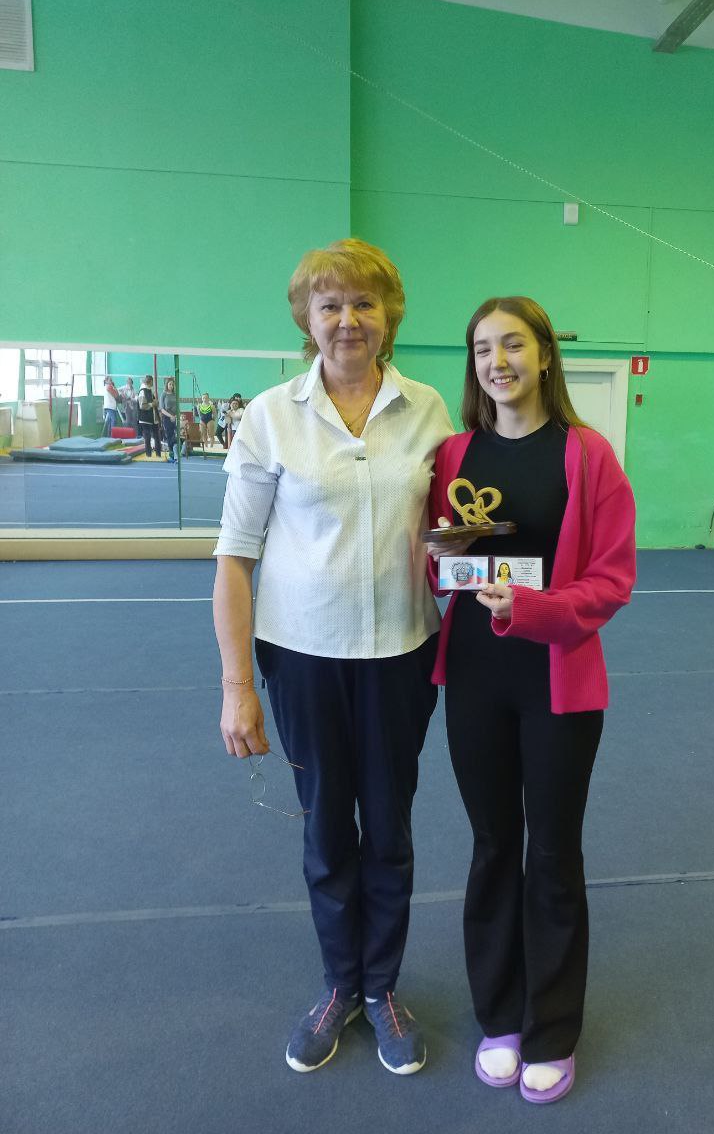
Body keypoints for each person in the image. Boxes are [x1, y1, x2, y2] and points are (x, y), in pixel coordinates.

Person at [213, 238, 453, 1078]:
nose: (348, 319)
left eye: (364, 303)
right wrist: (237, 686)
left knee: (387, 826)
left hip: (400, 655)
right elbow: (235, 558)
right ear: (306, 319)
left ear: (389, 317)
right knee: (325, 828)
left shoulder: (429, 410)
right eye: (330, 305)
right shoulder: (270, 415)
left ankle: (382, 988)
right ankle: (338, 985)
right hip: (303, 660)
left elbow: (455, 527)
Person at [427, 297, 635, 1104]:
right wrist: (439, 559)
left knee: (551, 852)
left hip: (558, 680)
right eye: (482, 348)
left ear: (545, 354)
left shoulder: (588, 455)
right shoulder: (454, 453)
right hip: (474, 680)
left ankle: (551, 1029)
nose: (497, 361)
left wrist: (533, 610)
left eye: (512, 344)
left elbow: (612, 579)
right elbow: (437, 562)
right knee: (491, 848)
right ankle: (500, 1017)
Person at [138, 375, 161, 458]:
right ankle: (148, 455)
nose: (153, 383)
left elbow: (153, 402)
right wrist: (152, 404)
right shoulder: (142, 391)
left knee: (157, 436)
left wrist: (155, 402)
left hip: (153, 418)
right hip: (145, 418)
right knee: (147, 437)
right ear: (150, 381)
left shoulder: (149, 390)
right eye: (152, 381)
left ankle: (158, 454)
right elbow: (142, 405)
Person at [159, 377, 178, 463]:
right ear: (167, 385)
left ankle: (175, 452)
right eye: (170, 384)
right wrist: (170, 416)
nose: (171, 386)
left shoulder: (174, 394)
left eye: (172, 384)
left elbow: (177, 406)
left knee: (175, 435)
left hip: (175, 417)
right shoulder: (164, 394)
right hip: (167, 417)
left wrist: (176, 416)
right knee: (169, 435)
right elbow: (162, 409)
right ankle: (171, 454)